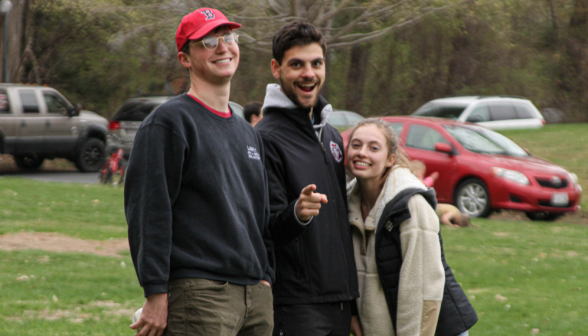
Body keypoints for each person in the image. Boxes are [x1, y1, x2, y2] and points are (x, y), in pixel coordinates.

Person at [125, 8, 274, 336]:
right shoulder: (169, 123)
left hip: (255, 297)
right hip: (201, 296)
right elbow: (149, 211)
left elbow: (259, 216)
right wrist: (155, 290)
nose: (222, 47)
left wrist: (265, 277)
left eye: (228, 37)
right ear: (185, 58)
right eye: (208, 41)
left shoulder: (248, 132)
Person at [255, 21, 359, 336]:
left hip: (340, 301)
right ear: (276, 68)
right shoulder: (265, 138)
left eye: (316, 63)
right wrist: (296, 214)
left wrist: (350, 302)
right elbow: (263, 227)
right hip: (296, 306)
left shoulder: (329, 135)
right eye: (296, 64)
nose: (308, 73)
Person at [345, 118, 477, 336]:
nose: (362, 153)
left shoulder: (410, 206)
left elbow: (421, 292)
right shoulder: (347, 203)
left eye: (373, 148)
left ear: (390, 160)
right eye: (356, 145)